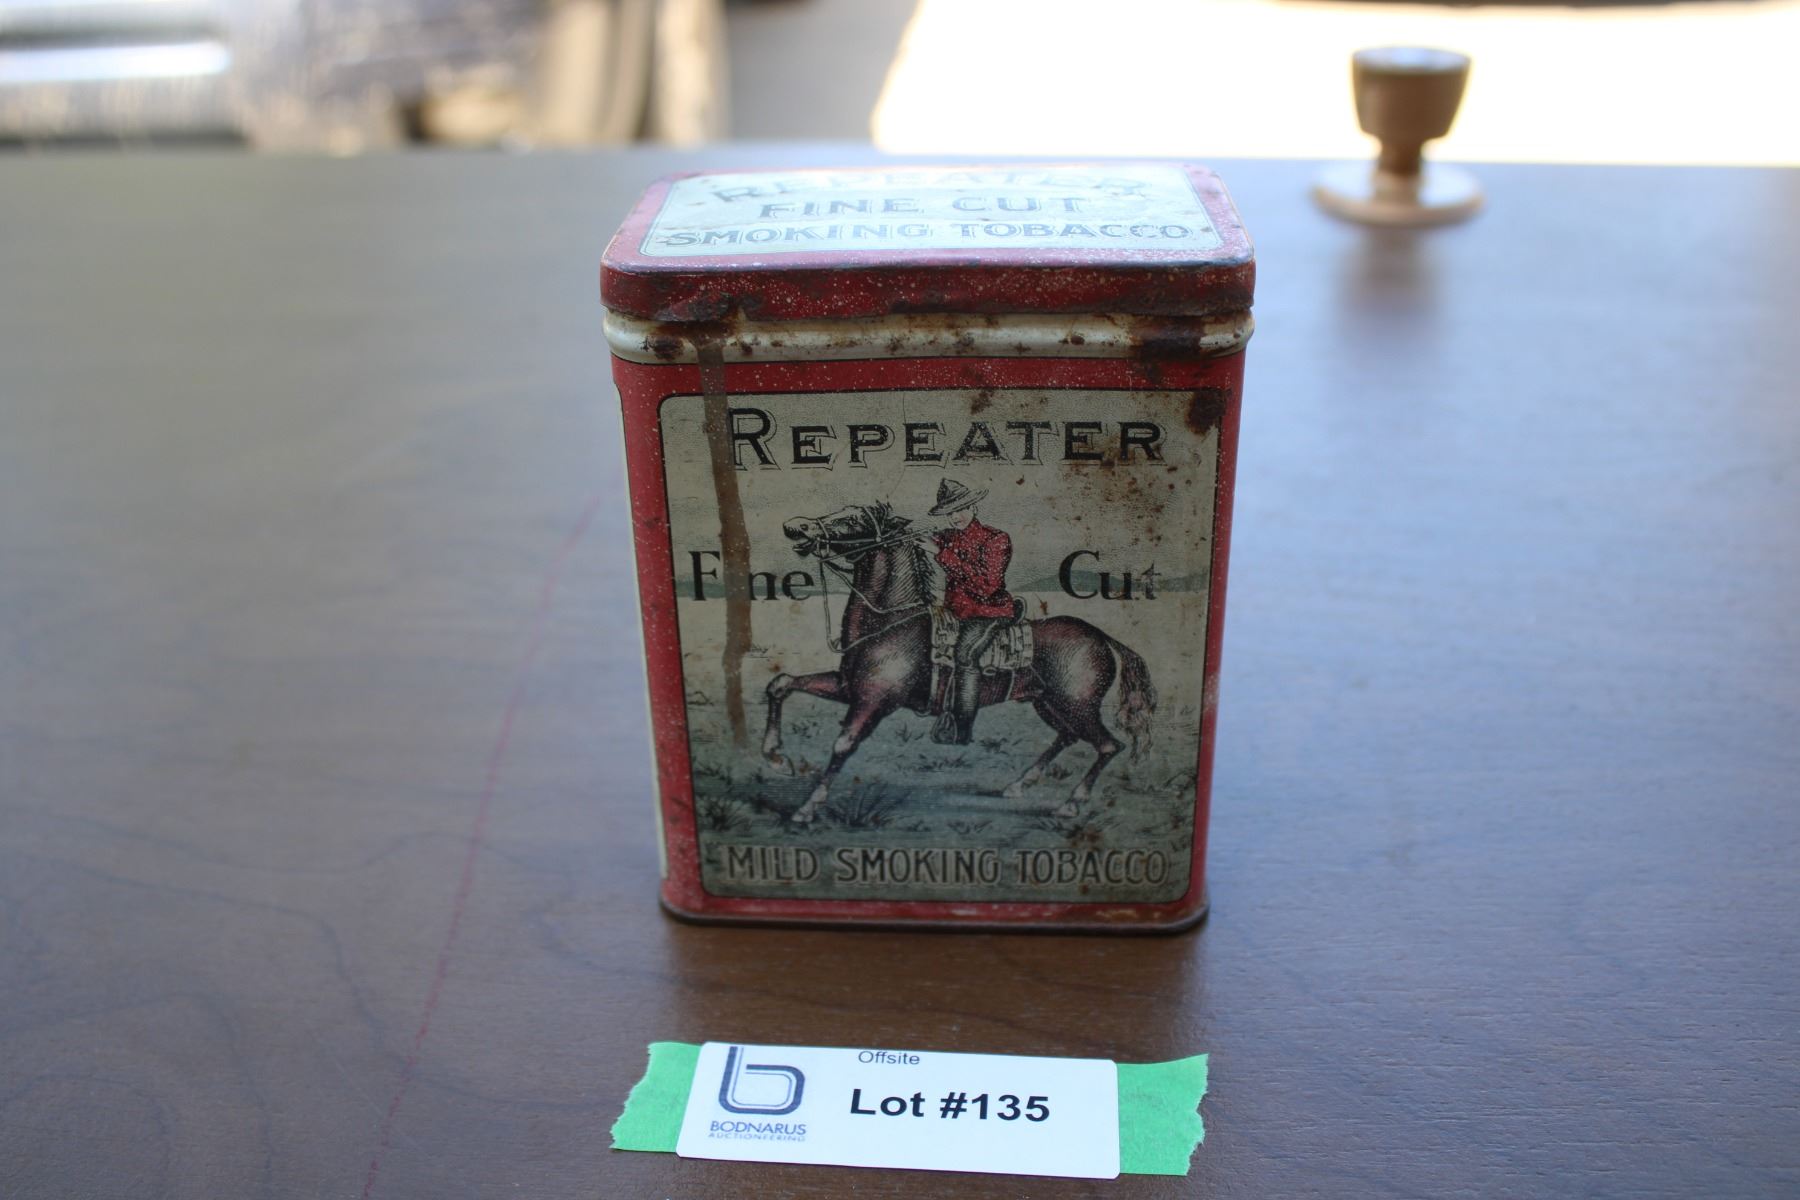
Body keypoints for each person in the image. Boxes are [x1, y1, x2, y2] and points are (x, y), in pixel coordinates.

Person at [928, 479, 1015, 744]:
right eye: (949, 512)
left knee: (965, 656)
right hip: (955, 612)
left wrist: (941, 554)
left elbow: (987, 586)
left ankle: (961, 729)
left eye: (960, 509)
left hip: (989, 613)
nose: (955, 517)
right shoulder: (947, 537)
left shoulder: (996, 539)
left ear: (974, 507)